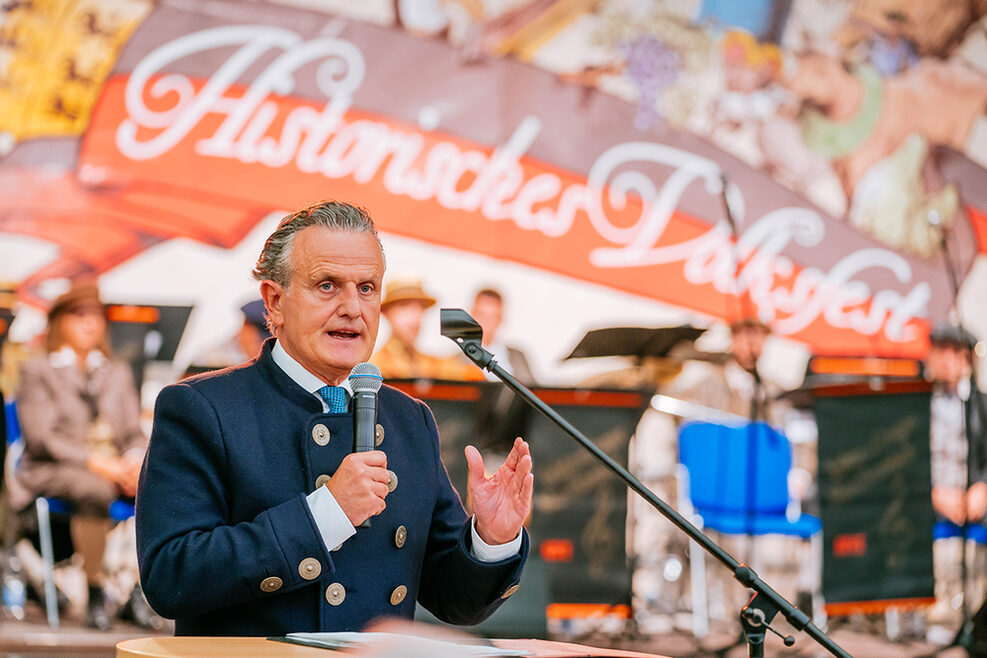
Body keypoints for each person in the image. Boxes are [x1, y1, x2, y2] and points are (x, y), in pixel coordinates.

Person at [136, 201, 533, 636]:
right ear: (275, 301)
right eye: (327, 285)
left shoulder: (409, 419)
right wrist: (326, 514)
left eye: (367, 288)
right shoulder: (200, 407)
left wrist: (491, 539)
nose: (352, 307)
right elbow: (170, 578)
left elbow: (455, 600)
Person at [15, 283, 149, 630]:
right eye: (79, 316)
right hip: (53, 468)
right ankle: (94, 590)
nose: (90, 324)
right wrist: (98, 463)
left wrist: (134, 461)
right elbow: (42, 438)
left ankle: (137, 588)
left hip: (113, 466)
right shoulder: (38, 370)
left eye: (96, 316)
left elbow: (132, 433)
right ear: (59, 321)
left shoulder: (115, 371)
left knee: (160, 485)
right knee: (95, 488)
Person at [924, 323, 987, 635]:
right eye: (941, 350)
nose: (948, 359)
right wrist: (932, 492)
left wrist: (983, 488)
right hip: (926, 500)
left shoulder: (981, 404)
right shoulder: (916, 404)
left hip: (972, 503)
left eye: (956, 351)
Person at [371, 276, 481, 380]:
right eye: (404, 307)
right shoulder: (374, 366)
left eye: (419, 308)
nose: (414, 318)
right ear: (386, 312)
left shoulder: (433, 364)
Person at [469, 288, 536, 385]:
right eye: (481, 314)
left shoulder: (518, 357)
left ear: (500, 319)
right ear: (471, 316)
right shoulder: (455, 362)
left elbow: (534, 391)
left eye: (493, 316)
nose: (486, 321)